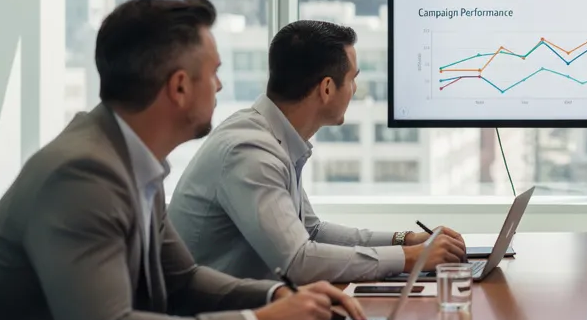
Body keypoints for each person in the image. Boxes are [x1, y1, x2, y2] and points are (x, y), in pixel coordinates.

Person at [0, 0, 365, 320]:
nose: (221, 87)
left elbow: (183, 280)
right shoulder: (83, 175)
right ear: (179, 87)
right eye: (214, 73)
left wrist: (278, 296)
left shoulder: (130, 159)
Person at [170, 20, 467, 284]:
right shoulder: (249, 152)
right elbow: (298, 263)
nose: (355, 89)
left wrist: (407, 240)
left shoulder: (273, 137)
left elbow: (311, 232)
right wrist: (411, 258)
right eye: (352, 79)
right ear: (326, 88)